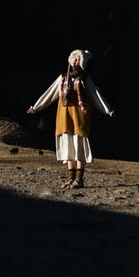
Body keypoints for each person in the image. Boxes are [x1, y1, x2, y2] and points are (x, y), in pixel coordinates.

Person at [27, 49, 113, 188]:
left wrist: (107, 110)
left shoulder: (85, 78)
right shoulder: (63, 77)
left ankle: (79, 179)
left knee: (79, 147)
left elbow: (95, 94)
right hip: (64, 116)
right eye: (73, 57)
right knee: (68, 147)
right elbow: (50, 93)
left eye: (78, 58)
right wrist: (36, 107)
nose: (75, 60)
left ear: (82, 62)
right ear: (69, 60)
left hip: (79, 116)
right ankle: (71, 178)